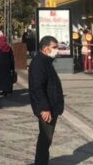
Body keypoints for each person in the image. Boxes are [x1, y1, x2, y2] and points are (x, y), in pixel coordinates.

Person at [29, 35, 64, 165]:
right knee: (45, 139)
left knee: (46, 139)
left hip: (51, 106)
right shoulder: (39, 63)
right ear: (45, 48)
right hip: (46, 109)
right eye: (54, 47)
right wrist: (44, 108)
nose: (57, 50)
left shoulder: (45, 61)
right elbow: (38, 88)